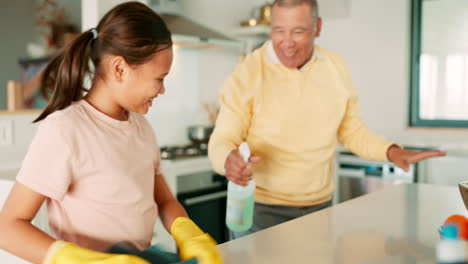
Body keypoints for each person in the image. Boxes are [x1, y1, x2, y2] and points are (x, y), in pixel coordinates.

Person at [0, 2, 221, 264]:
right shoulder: (65, 130)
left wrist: (189, 234)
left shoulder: (141, 127)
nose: (162, 90)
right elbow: (8, 228)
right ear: (120, 69)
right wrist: (78, 259)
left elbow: (163, 200)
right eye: (159, 78)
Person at [208, 0, 446, 240]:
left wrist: (391, 151)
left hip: (319, 208)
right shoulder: (247, 74)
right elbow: (223, 138)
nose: (287, 42)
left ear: (317, 28)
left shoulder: (335, 69)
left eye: (298, 31)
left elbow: (351, 131)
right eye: (279, 30)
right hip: (260, 210)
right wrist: (228, 159)